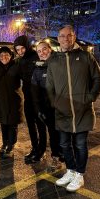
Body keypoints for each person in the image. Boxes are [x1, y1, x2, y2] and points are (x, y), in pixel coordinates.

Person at [46, 25, 100, 192]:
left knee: (80, 144)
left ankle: (80, 174)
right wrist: (54, 103)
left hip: (82, 110)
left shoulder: (86, 56)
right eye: (62, 36)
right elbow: (49, 86)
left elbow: (98, 78)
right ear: (58, 38)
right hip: (62, 111)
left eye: (69, 35)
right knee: (64, 144)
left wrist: (90, 98)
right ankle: (70, 171)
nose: (66, 39)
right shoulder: (54, 60)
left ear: (74, 37)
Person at [13, 35, 47, 164]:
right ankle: (35, 148)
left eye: (22, 48)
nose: (20, 51)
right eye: (18, 49)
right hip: (27, 97)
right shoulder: (20, 60)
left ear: (27, 46)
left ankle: (42, 150)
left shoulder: (36, 56)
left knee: (40, 125)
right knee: (31, 126)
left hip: (39, 98)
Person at [31, 41, 64, 169]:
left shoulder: (59, 63)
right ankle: (56, 157)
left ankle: (70, 161)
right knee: (54, 134)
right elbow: (35, 92)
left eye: (44, 49)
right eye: (39, 51)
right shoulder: (38, 69)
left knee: (67, 135)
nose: (42, 53)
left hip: (63, 107)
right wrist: (39, 110)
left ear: (50, 49)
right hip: (48, 109)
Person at [0, 46, 23, 159]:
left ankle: (11, 146)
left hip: (13, 100)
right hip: (1, 100)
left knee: (12, 124)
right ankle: (4, 143)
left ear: (11, 56)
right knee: (3, 123)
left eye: (6, 55)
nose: (4, 57)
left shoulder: (16, 66)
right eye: (1, 55)